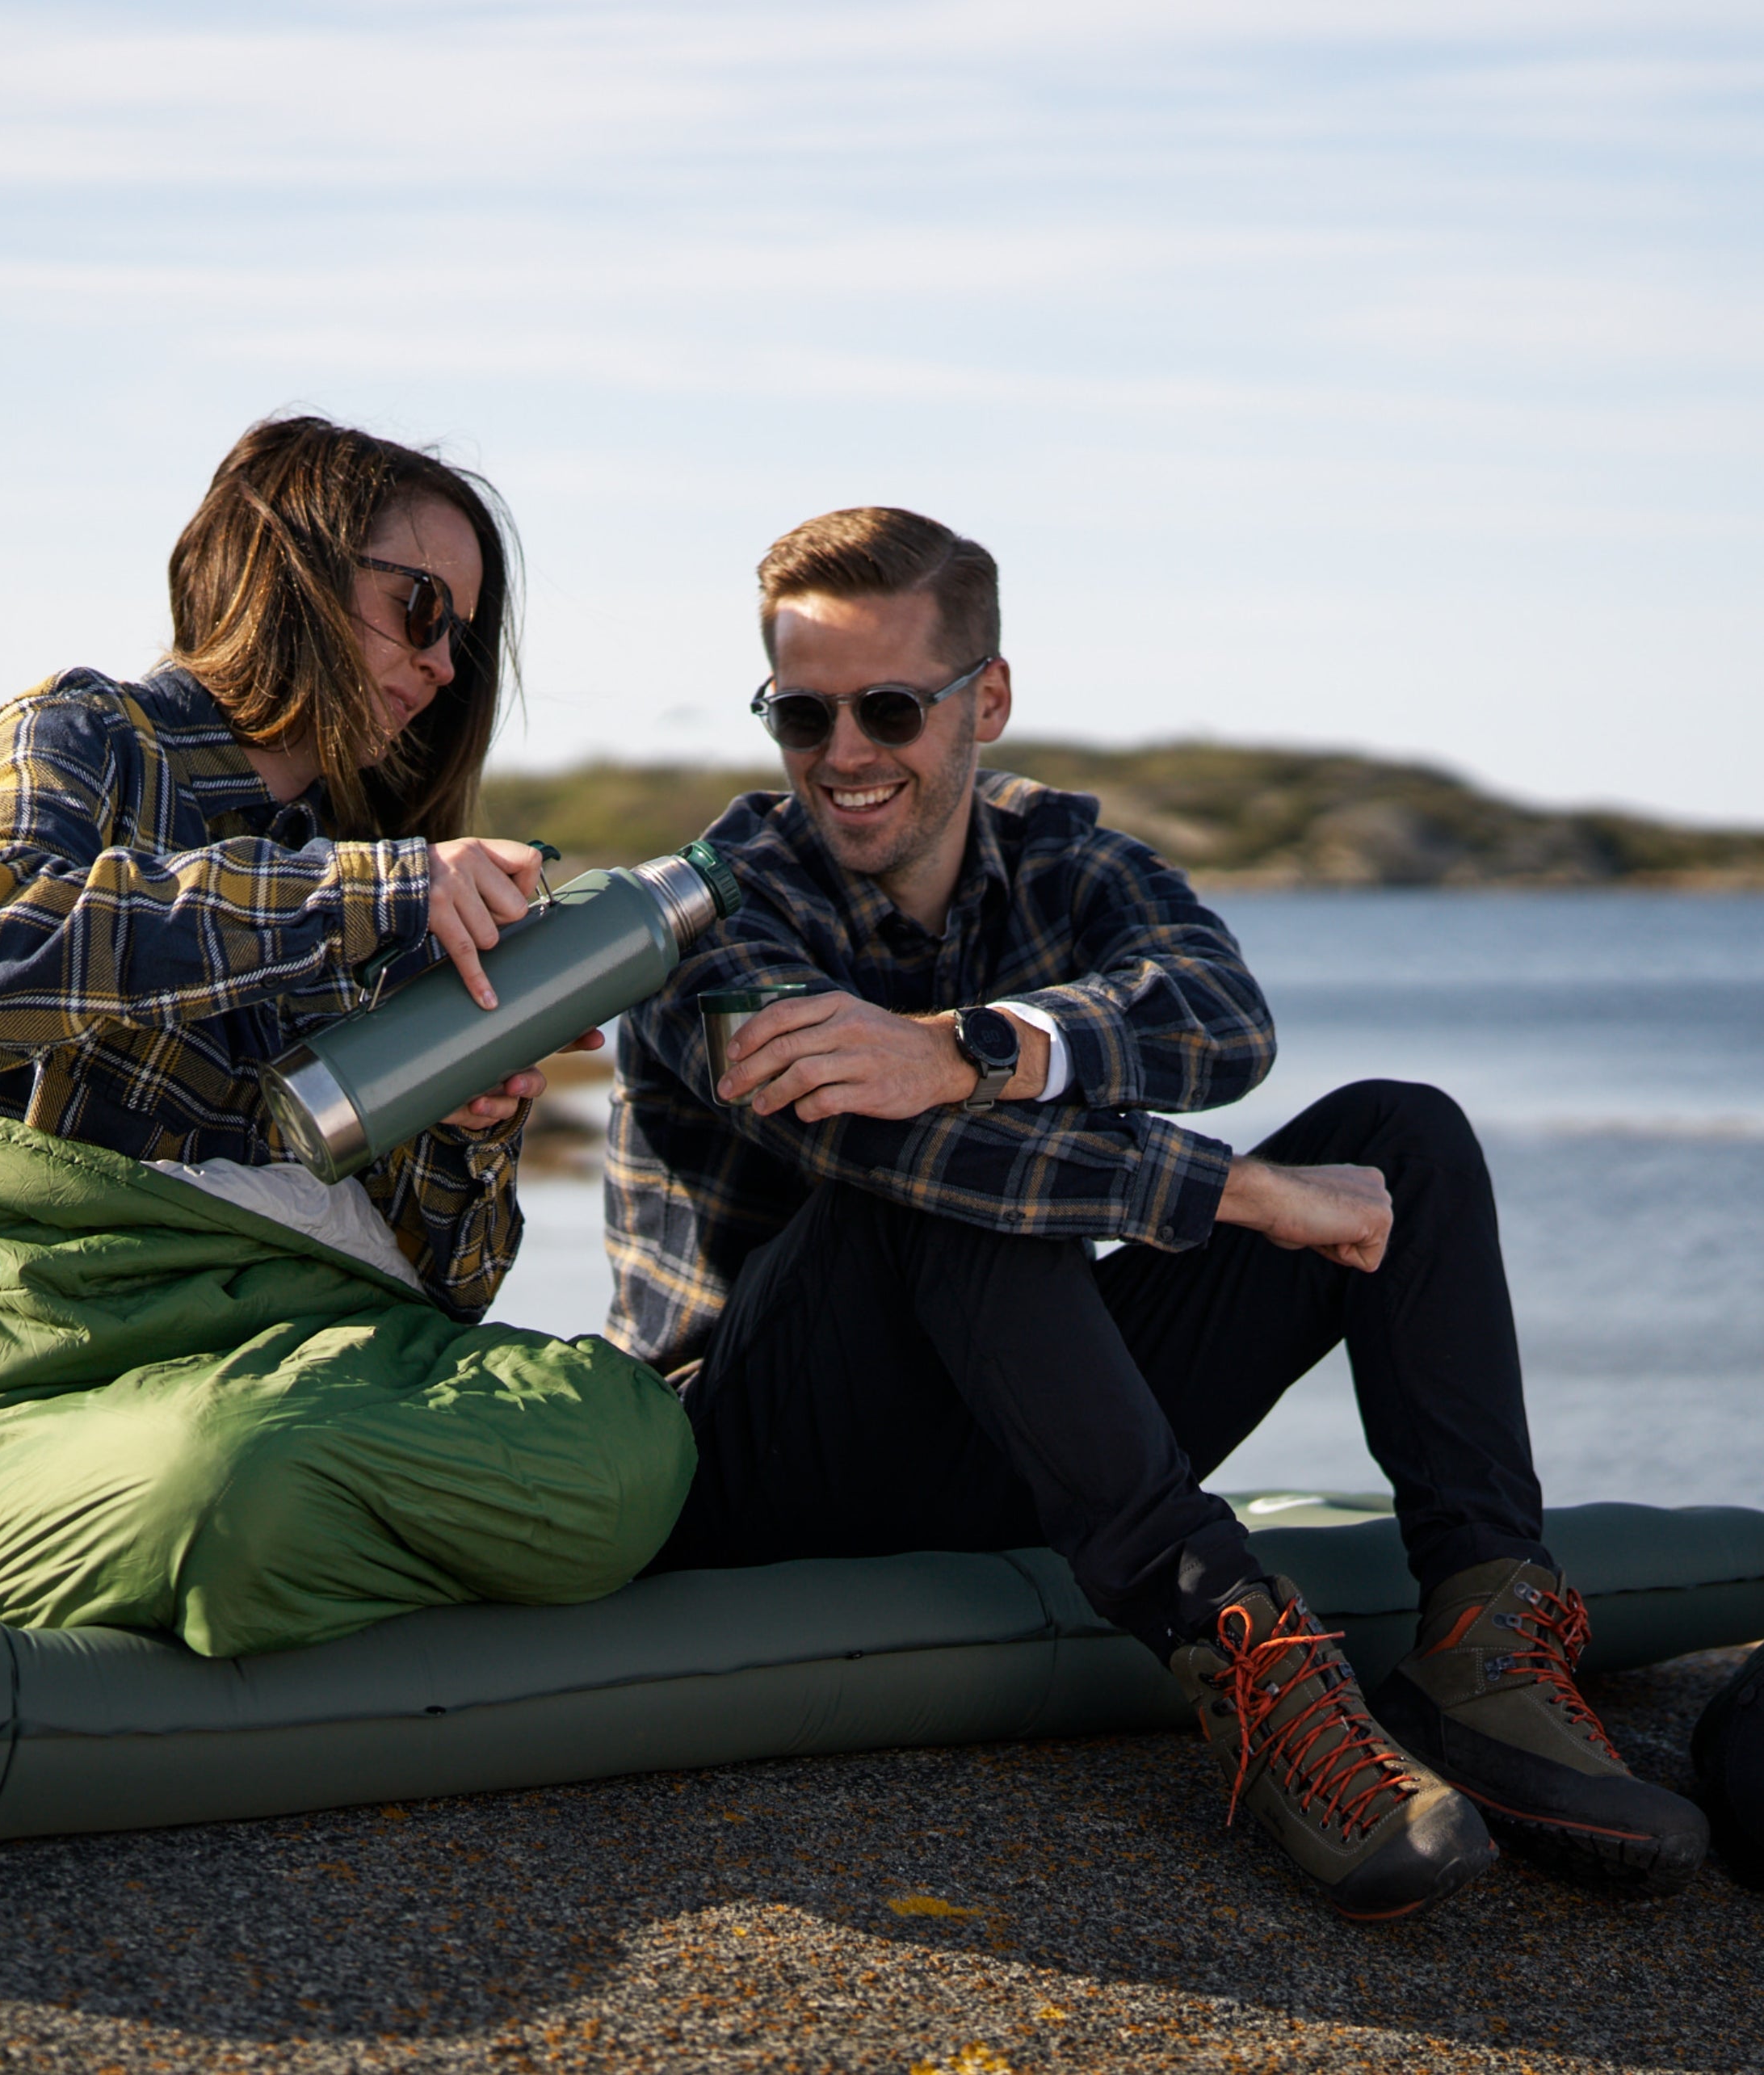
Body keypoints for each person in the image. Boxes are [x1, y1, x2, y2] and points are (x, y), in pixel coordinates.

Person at [605, 505, 1707, 1919]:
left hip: (1015, 1418)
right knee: (935, 1175)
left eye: (888, 707)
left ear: (985, 699)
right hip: (767, 1459)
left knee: (1402, 1136)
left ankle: (1484, 1655)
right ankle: (1243, 1656)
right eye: (801, 714)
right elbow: (883, 1142)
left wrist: (973, 1044)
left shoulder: (1059, 856)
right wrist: (1239, 1191)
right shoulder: (706, 917)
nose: (843, 753)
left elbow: (1222, 1018)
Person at [0, 416, 692, 1654]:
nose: (442, 666)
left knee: (626, 1441)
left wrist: (469, 1122)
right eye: (420, 609)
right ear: (286, 570)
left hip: (257, 1361)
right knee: (220, 1475)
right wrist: (363, 898)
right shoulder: (83, 737)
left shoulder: (387, 865)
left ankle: (216, 1564)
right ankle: (4, 1530)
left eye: (462, 633)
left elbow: (444, 1287)